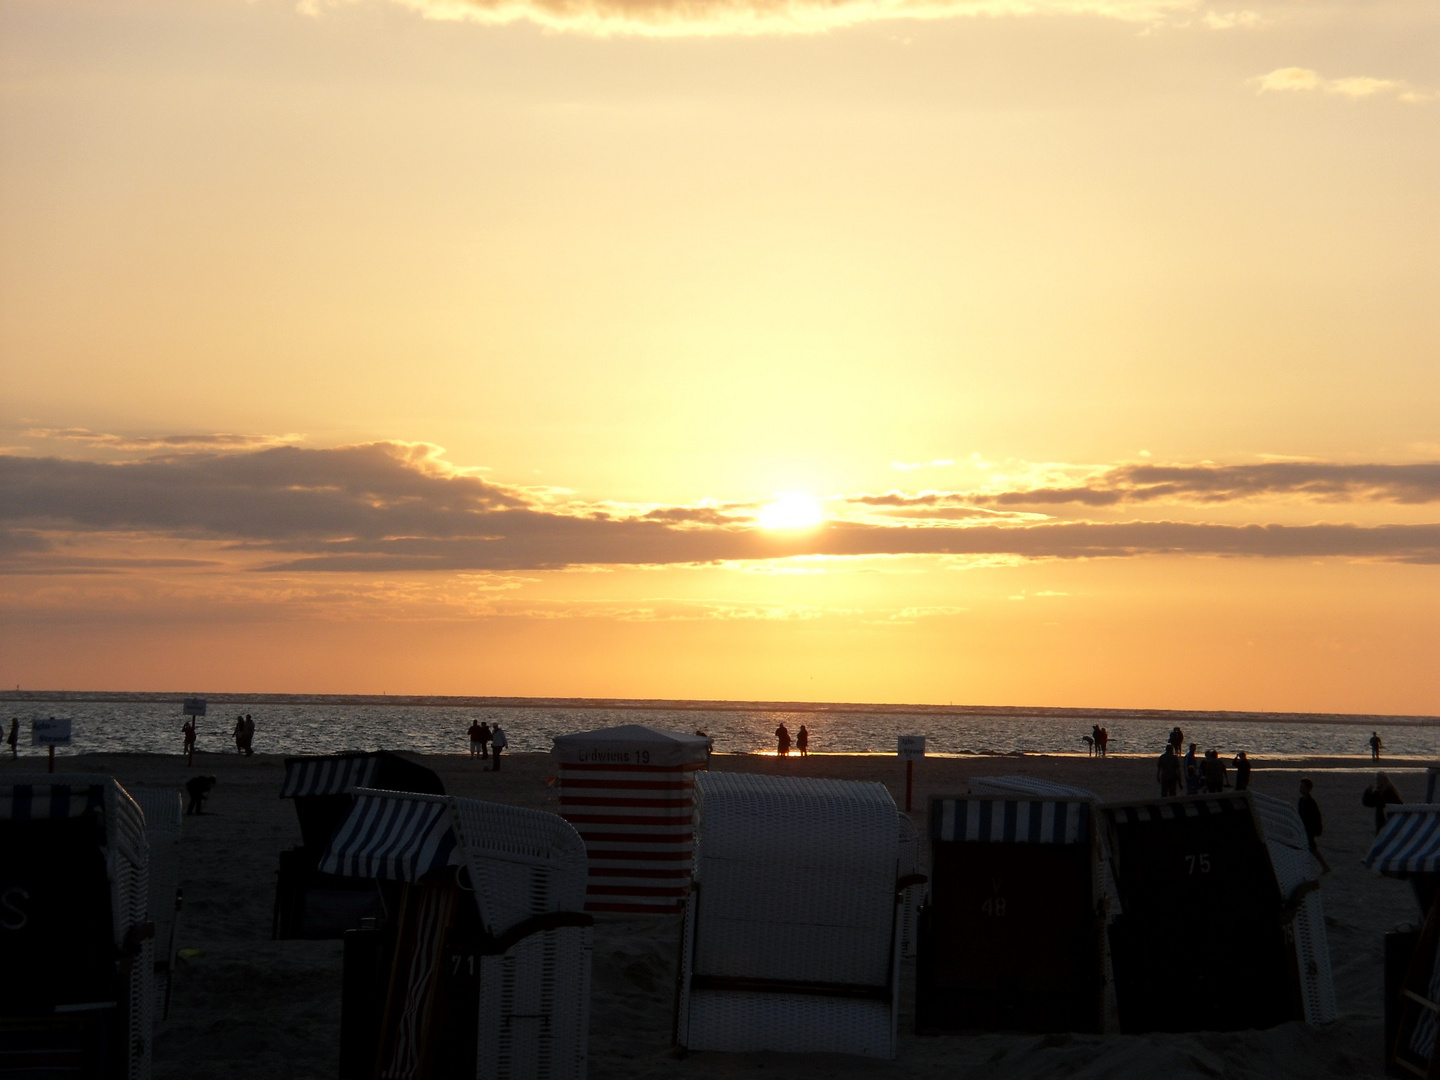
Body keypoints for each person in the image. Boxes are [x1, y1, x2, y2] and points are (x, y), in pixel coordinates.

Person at [1298, 778, 1330, 873]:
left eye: (1302, 787)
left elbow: (1316, 817)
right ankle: (1324, 866)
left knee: (1311, 847)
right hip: (1303, 827)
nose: (1300, 788)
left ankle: (1325, 866)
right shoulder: (1301, 800)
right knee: (1310, 848)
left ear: (1308, 789)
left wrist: (1316, 829)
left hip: (1309, 829)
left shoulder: (1311, 802)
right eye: (1300, 786)